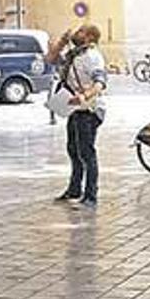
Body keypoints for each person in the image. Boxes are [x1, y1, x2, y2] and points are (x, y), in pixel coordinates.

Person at [47, 24, 108, 209]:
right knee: (73, 149)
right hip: (75, 109)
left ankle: (91, 195)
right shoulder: (74, 55)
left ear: (89, 37)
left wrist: (83, 96)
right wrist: (61, 42)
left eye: (81, 32)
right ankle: (74, 189)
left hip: (89, 110)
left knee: (87, 152)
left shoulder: (93, 57)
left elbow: (100, 83)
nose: (76, 33)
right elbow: (50, 59)